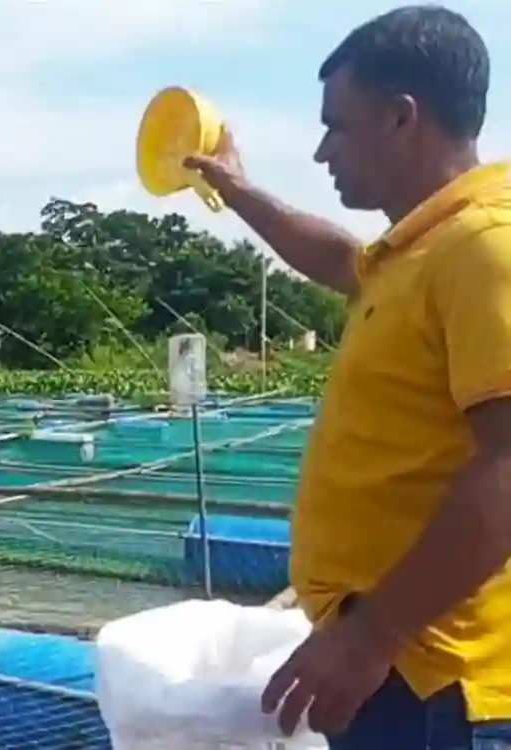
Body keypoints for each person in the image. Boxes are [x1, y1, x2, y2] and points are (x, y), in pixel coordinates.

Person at [185, 5, 511, 749]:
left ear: (401, 118)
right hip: (400, 672)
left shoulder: (486, 248)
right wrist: (237, 190)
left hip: (438, 687)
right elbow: (339, 257)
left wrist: (370, 637)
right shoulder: (419, 251)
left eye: (336, 125)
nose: (321, 151)